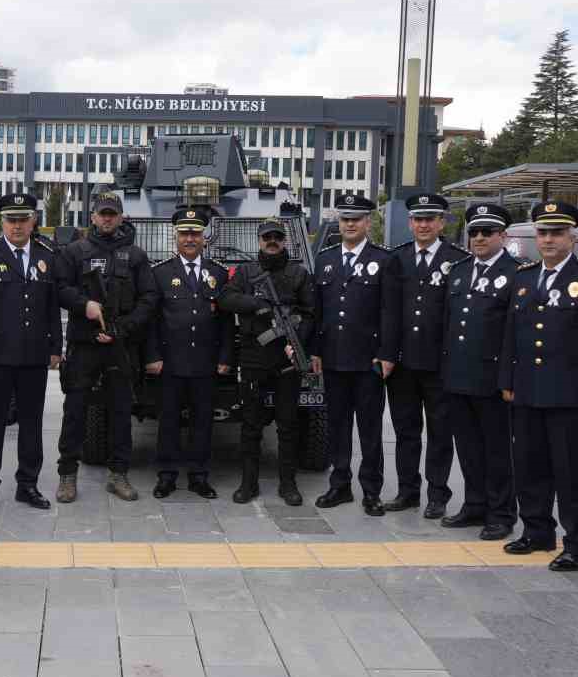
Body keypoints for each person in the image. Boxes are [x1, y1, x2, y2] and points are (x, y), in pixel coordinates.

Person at [499, 201, 578, 571]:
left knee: (572, 471)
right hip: (528, 389)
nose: (549, 239)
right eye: (543, 232)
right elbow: (511, 334)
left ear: (572, 236)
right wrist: (507, 379)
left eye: (557, 232)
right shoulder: (524, 276)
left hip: (571, 390)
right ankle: (537, 530)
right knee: (530, 465)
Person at [54, 191, 159, 502]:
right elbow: (59, 288)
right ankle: (67, 476)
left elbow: (149, 299)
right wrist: (84, 304)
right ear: (93, 217)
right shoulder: (75, 252)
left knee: (120, 411)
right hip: (84, 345)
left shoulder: (137, 256)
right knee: (75, 410)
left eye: (113, 213)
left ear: (121, 217)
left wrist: (122, 329)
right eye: (102, 213)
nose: (107, 218)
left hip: (121, 345)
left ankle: (118, 474)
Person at [0, 191, 62, 512]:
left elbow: (52, 305)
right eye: (11, 220)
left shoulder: (47, 254)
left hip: (34, 354)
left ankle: (28, 484)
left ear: (34, 221)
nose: (17, 226)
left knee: (32, 423)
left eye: (23, 219)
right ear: (2, 221)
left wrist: (55, 346)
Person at [217, 218, 319, 505]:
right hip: (253, 356)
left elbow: (310, 313)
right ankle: (248, 483)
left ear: (285, 240)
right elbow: (225, 298)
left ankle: (288, 483)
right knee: (250, 424)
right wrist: (257, 306)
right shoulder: (248, 273)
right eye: (266, 237)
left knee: (288, 424)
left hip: (287, 358)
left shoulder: (298, 274)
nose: (271, 241)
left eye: (277, 237)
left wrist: (296, 340)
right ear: (259, 241)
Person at [307, 197, 399, 513]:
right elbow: (318, 311)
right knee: (338, 426)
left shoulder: (384, 260)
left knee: (370, 429)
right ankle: (340, 485)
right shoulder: (326, 259)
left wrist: (387, 354)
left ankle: (371, 491)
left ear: (367, 223)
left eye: (356, 219)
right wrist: (315, 350)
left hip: (369, 361)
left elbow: (390, 311)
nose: (350, 224)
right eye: (345, 219)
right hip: (333, 359)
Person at [438, 203, 522, 539]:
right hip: (459, 376)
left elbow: (515, 334)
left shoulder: (517, 273)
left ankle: (501, 513)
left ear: (503, 235)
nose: (480, 238)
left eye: (488, 232)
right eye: (474, 231)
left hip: (493, 380)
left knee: (498, 451)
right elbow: (448, 326)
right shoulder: (458, 271)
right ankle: (474, 505)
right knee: (468, 447)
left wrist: (508, 379)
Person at [384, 193, 465, 519]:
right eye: (418, 219)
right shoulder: (398, 258)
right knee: (405, 431)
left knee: (440, 433)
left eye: (430, 219)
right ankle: (407, 491)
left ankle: (437, 494)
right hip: (402, 364)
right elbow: (389, 311)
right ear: (410, 223)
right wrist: (387, 354)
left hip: (438, 364)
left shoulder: (457, 258)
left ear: (441, 222)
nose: (424, 225)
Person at [143, 206, 231, 499]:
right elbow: (152, 320)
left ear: (204, 237)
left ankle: (199, 475)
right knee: (167, 421)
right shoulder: (161, 273)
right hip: (171, 362)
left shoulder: (218, 273)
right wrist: (153, 356)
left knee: (202, 422)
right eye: (184, 234)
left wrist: (224, 358)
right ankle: (166, 475)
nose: (190, 239)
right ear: (176, 237)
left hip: (205, 363)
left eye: (195, 233)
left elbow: (226, 322)